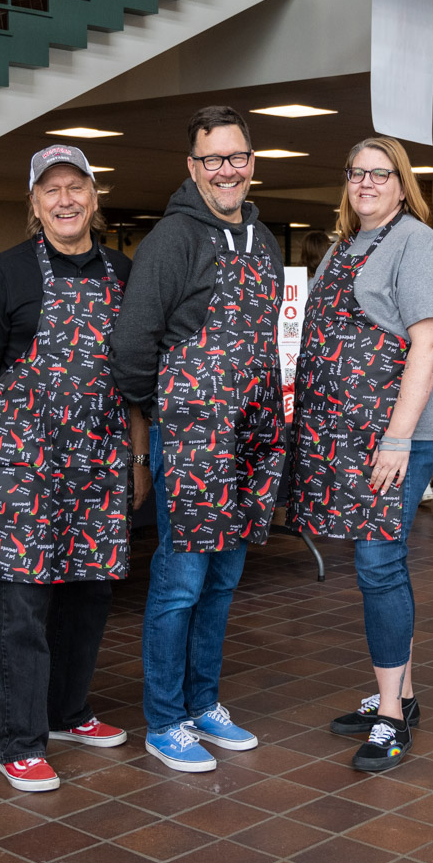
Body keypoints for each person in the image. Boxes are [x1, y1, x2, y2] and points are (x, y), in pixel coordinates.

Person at [0, 145, 144, 792]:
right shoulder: (6, 274)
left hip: (99, 465)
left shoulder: (124, 274)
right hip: (24, 469)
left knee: (89, 597)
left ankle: (68, 712)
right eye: (51, 190)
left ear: (95, 197)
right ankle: (19, 739)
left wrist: (138, 459)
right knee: (24, 606)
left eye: (76, 187)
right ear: (34, 205)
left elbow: (134, 380)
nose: (64, 199)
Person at [111, 106, 286, 774]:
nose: (227, 170)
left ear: (251, 161)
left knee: (223, 579)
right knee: (181, 581)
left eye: (236, 156)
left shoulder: (264, 239)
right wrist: (167, 416)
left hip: (251, 431)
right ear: (193, 168)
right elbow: (132, 344)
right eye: (213, 159)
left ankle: (203, 701)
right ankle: (164, 719)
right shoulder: (172, 239)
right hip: (189, 434)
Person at [285, 136, 433, 771]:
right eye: (356, 173)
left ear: (401, 182)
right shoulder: (341, 247)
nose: (365, 183)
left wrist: (396, 437)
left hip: (396, 432)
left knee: (378, 560)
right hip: (348, 432)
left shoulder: (419, 244)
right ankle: (400, 695)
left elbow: (429, 343)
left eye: (379, 174)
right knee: (378, 560)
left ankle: (391, 718)